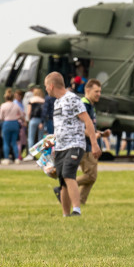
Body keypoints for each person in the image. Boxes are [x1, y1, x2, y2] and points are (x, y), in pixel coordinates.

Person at [45, 71, 100, 217]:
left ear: (51, 86)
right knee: (62, 180)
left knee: (69, 174)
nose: (46, 89)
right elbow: (59, 128)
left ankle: (77, 210)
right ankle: (65, 214)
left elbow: (87, 121)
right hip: (61, 146)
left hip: (74, 144)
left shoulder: (72, 99)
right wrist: (50, 148)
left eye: (46, 86)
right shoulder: (57, 102)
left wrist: (94, 144)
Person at [76, 78, 105, 205]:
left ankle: (81, 201)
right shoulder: (84, 104)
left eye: (99, 91)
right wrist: (95, 138)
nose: (99, 94)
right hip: (85, 145)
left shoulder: (89, 105)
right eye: (96, 91)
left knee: (92, 177)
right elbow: (82, 128)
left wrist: (101, 133)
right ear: (87, 90)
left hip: (88, 144)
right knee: (91, 176)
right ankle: (66, 186)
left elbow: (90, 127)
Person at [0, 88, 23, 164]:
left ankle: (6, 158)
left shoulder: (3, 105)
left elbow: (0, 117)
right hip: (15, 123)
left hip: (6, 123)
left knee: (6, 142)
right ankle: (17, 158)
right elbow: (21, 115)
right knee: (14, 142)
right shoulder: (16, 105)